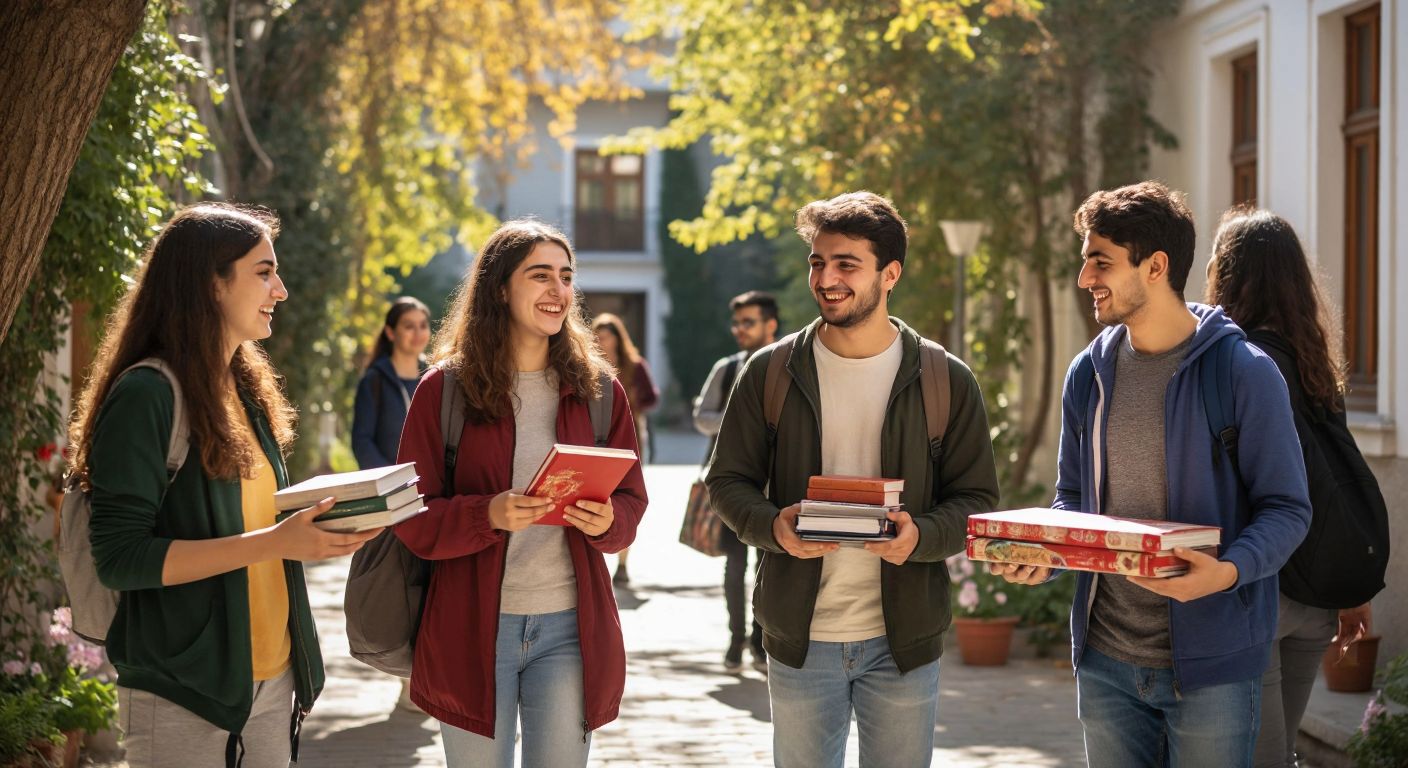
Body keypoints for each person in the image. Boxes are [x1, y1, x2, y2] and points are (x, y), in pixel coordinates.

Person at [994, 182, 1312, 768]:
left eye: (1101, 261)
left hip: (1213, 670)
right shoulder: (1087, 374)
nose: (1086, 277)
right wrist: (1046, 555)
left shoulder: (1244, 372)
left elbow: (1288, 508)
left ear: (1156, 266)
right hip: (1106, 664)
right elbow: (1073, 500)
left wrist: (1225, 573)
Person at [70, 203, 381, 768]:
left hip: (270, 683)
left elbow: (250, 522)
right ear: (211, 284)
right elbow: (120, 558)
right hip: (183, 692)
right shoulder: (147, 396)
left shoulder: (243, 389)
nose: (280, 290)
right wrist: (276, 543)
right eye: (263, 272)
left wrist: (321, 521)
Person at [707, 191, 1000, 767]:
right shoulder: (769, 372)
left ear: (889, 274)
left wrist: (922, 537)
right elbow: (728, 481)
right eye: (818, 262)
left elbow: (976, 500)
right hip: (800, 638)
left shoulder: (946, 379)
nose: (827, 278)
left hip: (904, 643)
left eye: (846, 264)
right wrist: (774, 527)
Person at [392, 219, 648, 768]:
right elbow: (410, 516)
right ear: (501, 288)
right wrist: (488, 514)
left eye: (566, 276)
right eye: (540, 276)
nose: (558, 291)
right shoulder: (444, 390)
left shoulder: (600, 392)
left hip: (570, 629)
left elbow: (631, 499)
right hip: (470, 628)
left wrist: (609, 524)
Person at [1203, 206, 1373, 768]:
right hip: (1317, 597)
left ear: (1226, 277)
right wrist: (1350, 589)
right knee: (1279, 752)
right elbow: (1336, 478)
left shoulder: (1235, 364)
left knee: (1260, 758)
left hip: (1258, 589)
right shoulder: (1314, 363)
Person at [693, 290, 779, 672]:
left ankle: (762, 642)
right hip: (732, 486)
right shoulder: (726, 368)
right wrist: (737, 419)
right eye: (737, 322)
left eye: (749, 322)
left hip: (777, 487)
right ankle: (735, 640)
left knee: (769, 567)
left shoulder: (789, 363)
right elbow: (701, 416)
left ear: (770, 325)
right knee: (733, 564)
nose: (740, 329)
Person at [591, 311, 658, 585]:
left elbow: (652, 398)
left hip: (627, 439)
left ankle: (622, 564)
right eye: (597, 336)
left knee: (624, 500)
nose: (600, 340)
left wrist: (630, 405)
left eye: (605, 336)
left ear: (617, 339)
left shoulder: (634, 364)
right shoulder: (588, 365)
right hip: (594, 441)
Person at [351, 296, 432, 471]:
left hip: (434, 491)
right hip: (393, 491)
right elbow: (362, 442)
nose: (418, 333)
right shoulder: (374, 380)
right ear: (390, 332)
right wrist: (393, 483)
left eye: (423, 325)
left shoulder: (437, 377)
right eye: (409, 326)